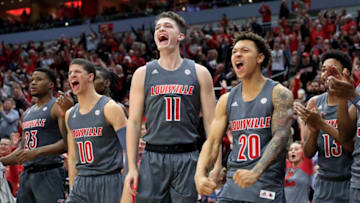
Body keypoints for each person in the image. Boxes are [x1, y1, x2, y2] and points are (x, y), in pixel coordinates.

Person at [122, 11, 216, 203]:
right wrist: (131, 167)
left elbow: (212, 124)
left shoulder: (199, 72)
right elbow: (133, 123)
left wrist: (215, 164)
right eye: (157, 28)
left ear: (180, 36)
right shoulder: (142, 73)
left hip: (188, 157)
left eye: (167, 26)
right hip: (153, 157)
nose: (161, 29)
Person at [195, 32, 293, 203]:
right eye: (234, 51)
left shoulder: (279, 93)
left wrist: (256, 171)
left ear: (260, 57)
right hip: (233, 186)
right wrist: (200, 174)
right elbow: (212, 142)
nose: (237, 54)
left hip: (265, 186)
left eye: (245, 50)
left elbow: (282, 137)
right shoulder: (226, 99)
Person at [0, 68, 69, 203]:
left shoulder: (57, 106)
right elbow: (22, 150)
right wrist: (1, 162)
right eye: (32, 80)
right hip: (26, 175)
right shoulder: (28, 113)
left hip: (49, 172)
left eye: (39, 79)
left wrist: (36, 152)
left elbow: (67, 143)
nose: (33, 83)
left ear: (51, 84)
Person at [294, 50, 353, 203]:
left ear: (345, 73)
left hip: (350, 181)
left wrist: (322, 124)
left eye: (332, 70)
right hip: (323, 182)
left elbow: (351, 146)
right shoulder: (314, 102)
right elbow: (307, 153)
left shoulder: (353, 103)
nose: (327, 74)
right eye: (323, 69)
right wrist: (314, 132)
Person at [65, 58, 127, 203]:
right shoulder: (70, 114)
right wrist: (73, 188)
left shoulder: (110, 108)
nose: (72, 75)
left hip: (109, 179)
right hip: (82, 181)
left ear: (90, 77)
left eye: (77, 72)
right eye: (70, 73)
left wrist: (127, 181)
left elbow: (129, 149)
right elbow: (73, 156)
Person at [326, 53, 360, 203]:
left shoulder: (356, 93)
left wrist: (353, 96)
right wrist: (342, 96)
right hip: (357, 180)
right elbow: (345, 136)